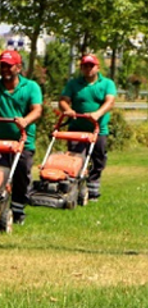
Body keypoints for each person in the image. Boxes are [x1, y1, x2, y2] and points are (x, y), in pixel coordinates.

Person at [0, 49, 43, 225]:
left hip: (23, 140)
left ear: (18, 67)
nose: (4, 69)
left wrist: (25, 121)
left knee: (21, 175)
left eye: (9, 66)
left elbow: (37, 110)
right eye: (2, 65)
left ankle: (18, 209)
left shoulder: (31, 87)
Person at [58, 54, 116, 202]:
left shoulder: (107, 84)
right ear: (81, 68)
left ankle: (93, 186)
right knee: (76, 159)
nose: (88, 69)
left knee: (99, 158)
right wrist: (68, 110)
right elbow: (63, 101)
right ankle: (75, 188)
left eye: (91, 66)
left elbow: (110, 102)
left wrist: (97, 114)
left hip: (98, 128)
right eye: (85, 66)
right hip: (77, 128)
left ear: (97, 67)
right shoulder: (74, 84)